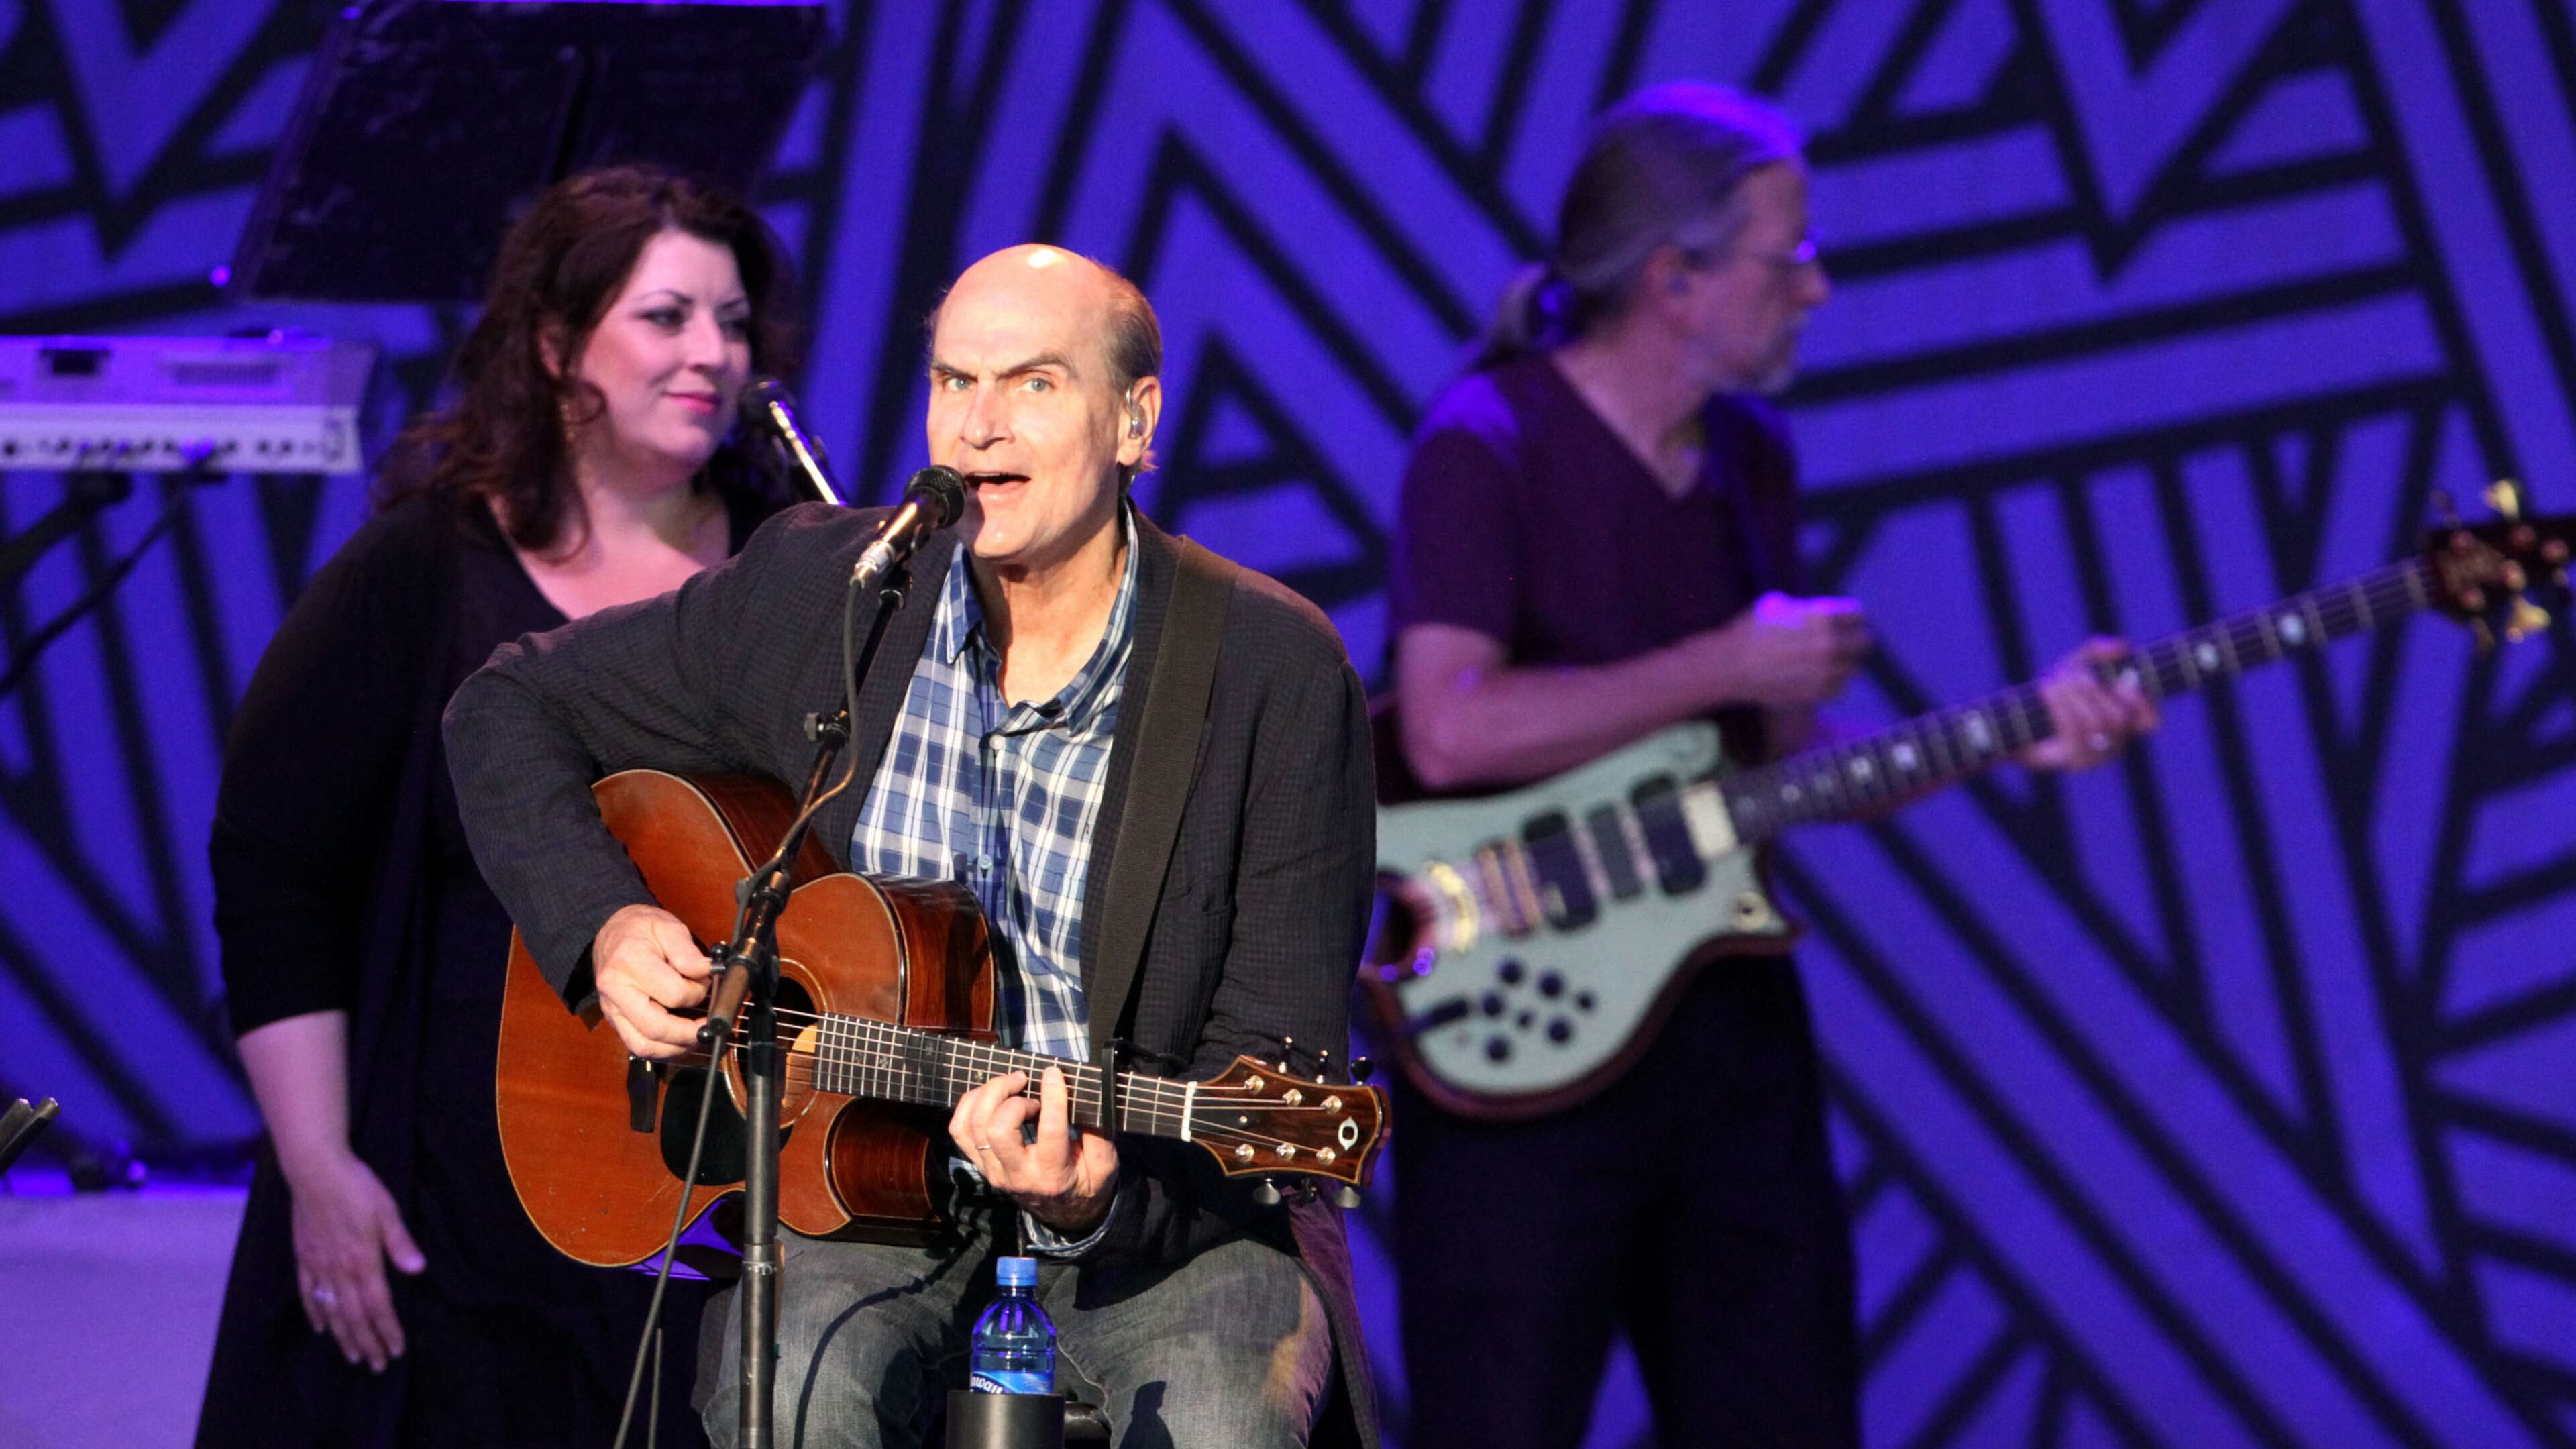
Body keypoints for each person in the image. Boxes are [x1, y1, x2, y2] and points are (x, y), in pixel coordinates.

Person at [441, 243, 1382, 1449]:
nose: (979, 428)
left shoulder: (1273, 670)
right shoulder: (835, 591)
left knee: (1215, 1416)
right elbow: (512, 703)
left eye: (1034, 385)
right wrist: (606, 926)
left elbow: (1274, 1046)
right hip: (861, 1198)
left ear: (1135, 421)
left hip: (1166, 1210)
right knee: (785, 1389)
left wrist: (1095, 1195)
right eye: (954, 383)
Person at [1381, 83, 2159, 1447]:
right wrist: (1724, 664)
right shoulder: (1486, 439)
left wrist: (2024, 727)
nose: (1817, 286)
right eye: (1787, 254)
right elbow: (1447, 726)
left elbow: (1790, 763)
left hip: (1727, 1030)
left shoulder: (1750, 454)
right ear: (1675, 279)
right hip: (1519, 1044)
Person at [198, 164, 799, 1448]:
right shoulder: (422, 571)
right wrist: (318, 1167)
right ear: (553, 340)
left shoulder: (793, 560)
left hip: (714, 1194)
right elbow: (276, 874)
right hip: (448, 1198)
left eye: (734, 323)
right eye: (668, 316)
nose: (712, 354)